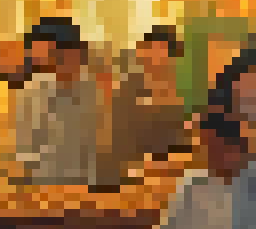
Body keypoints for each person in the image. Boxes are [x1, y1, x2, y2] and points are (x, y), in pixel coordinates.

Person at [13, 21, 103, 186]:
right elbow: (25, 149)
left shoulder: (97, 90)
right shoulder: (33, 90)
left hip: (93, 185)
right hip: (44, 186)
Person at [112, 26, 190, 180]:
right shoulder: (127, 89)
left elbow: (176, 146)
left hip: (160, 177)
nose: (152, 59)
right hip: (123, 174)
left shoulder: (176, 99)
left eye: (160, 53)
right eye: (149, 51)